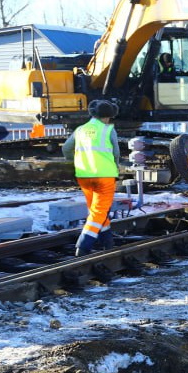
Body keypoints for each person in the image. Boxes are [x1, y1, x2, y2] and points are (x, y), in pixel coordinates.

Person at [63, 100, 121, 257]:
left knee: (96, 210)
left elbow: (66, 148)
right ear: (108, 116)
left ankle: (107, 241)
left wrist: (77, 160)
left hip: (84, 176)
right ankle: (83, 244)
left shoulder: (80, 130)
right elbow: (116, 153)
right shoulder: (108, 130)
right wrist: (115, 167)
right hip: (105, 176)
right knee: (99, 211)